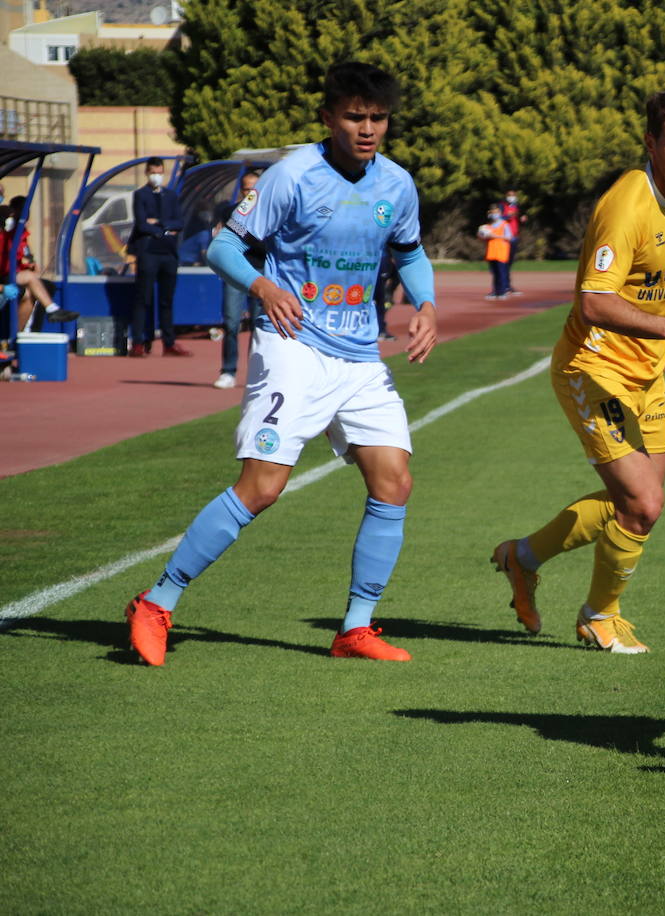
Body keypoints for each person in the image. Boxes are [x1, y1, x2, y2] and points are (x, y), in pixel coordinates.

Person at [121, 61, 439, 666]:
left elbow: (410, 252)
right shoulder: (292, 177)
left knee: (394, 482)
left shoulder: (396, 184)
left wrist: (426, 304)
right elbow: (223, 246)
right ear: (328, 118)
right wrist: (264, 287)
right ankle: (157, 601)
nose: (367, 129)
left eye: (377, 118)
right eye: (354, 117)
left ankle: (355, 628)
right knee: (262, 488)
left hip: (360, 355)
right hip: (294, 348)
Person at [490, 86, 665, 654]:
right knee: (643, 503)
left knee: (635, 506)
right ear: (650, 143)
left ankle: (524, 557)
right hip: (592, 368)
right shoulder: (625, 206)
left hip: (647, 373)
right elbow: (594, 302)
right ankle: (599, 616)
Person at [125, 157, 189, 357]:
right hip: (148, 253)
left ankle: (169, 343)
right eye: (153, 172)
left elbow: (179, 222)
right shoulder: (140, 194)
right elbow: (141, 224)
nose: (157, 176)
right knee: (143, 298)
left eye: (160, 172)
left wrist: (159, 224)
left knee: (166, 300)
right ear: (147, 172)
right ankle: (138, 342)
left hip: (168, 253)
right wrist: (164, 228)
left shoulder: (171, 195)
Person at [213, 170, 261, 388]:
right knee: (231, 322)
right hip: (236, 273)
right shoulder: (229, 213)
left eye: (254, 190)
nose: (250, 194)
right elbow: (220, 241)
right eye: (246, 190)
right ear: (241, 191)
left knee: (260, 325)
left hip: (262, 273)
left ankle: (257, 372)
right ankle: (228, 371)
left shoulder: (268, 213)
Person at [2, 199, 78, 331]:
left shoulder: (20, 234)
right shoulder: (6, 233)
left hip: (12, 273)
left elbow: (24, 254)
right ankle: (51, 309)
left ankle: (17, 336)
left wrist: (31, 263)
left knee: (30, 293)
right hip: (4, 276)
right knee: (30, 278)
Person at [478, 204, 513, 300]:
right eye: (492, 212)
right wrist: (481, 235)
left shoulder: (504, 224)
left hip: (501, 252)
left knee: (501, 272)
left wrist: (495, 236)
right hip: (491, 252)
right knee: (494, 273)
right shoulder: (488, 226)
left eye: (496, 212)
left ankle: (502, 291)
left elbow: (509, 237)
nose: (494, 214)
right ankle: (495, 291)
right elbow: (483, 237)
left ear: (500, 213)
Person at [500, 189, 522, 293]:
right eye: (509, 195)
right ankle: (503, 285)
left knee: (509, 263)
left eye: (513, 195)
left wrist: (522, 219)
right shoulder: (502, 206)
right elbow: (498, 218)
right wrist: (508, 216)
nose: (511, 197)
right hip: (505, 238)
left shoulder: (517, 207)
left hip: (514, 237)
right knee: (503, 262)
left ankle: (507, 285)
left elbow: (518, 220)